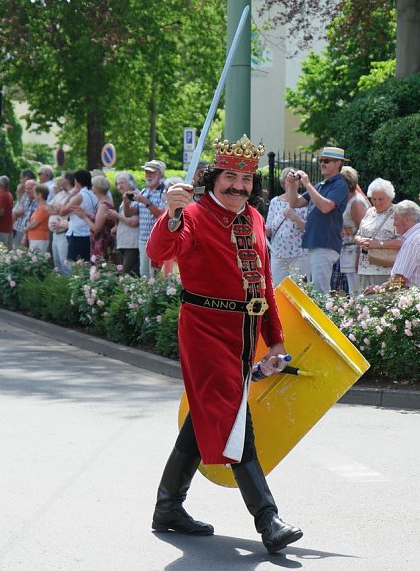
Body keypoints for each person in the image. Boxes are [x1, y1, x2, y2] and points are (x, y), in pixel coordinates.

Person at [146, 135, 302, 554]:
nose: (239, 186)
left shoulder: (254, 218)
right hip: (204, 330)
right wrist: (170, 214)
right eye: (230, 176)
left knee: (206, 415)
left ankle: (168, 507)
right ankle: (268, 520)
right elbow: (160, 250)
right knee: (233, 416)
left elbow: (263, 286)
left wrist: (275, 341)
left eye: (246, 179)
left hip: (244, 334)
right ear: (213, 178)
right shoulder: (193, 214)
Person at [289, 146, 349, 293]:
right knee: (313, 291)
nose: (322, 163)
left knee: (320, 291)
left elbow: (326, 207)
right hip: (314, 243)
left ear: (338, 163)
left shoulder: (340, 185)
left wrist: (307, 184)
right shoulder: (320, 185)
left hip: (325, 244)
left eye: (327, 161)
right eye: (321, 160)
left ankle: (325, 309)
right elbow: (294, 203)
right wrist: (292, 185)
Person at [362, 200, 420, 294]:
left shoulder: (412, 242)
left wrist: (377, 289)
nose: (394, 224)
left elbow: (399, 280)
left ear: (406, 219)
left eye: (396, 219)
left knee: (364, 298)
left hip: (413, 296)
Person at [353, 178, 400, 294]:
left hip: (385, 268)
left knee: (380, 301)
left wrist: (378, 244)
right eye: (374, 199)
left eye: (381, 199)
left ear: (390, 197)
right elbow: (358, 235)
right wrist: (361, 241)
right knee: (363, 300)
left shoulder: (398, 213)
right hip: (364, 267)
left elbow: (402, 242)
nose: (377, 202)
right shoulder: (370, 212)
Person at [265, 167, 308, 287]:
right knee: (277, 288)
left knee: (298, 289)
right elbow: (269, 231)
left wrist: (294, 217)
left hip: (299, 255)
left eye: (295, 180)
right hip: (278, 254)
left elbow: (308, 229)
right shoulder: (275, 202)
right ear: (284, 183)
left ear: (300, 183)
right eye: (289, 180)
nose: (292, 182)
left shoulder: (305, 202)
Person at [125, 160, 167, 277]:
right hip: (143, 240)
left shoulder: (164, 192)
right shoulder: (144, 191)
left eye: (152, 172)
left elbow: (161, 215)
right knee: (143, 274)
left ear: (160, 174)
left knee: (154, 274)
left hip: (156, 240)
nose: (148, 175)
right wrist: (126, 202)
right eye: (146, 172)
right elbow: (130, 213)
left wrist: (146, 202)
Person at [338, 166, 369, 295]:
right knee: (352, 290)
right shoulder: (348, 199)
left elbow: (364, 231)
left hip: (355, 253)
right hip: (347, 252)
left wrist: (360, 257)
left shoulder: (356, 203)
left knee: (357, 291)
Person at [75, 175, 116, 263]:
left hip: (102, 243)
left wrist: (84, 217)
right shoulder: (102, 202)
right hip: (99, 241)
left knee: (100, 267)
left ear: (97, 188)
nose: (91, 187)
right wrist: (84, 214)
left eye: (92, 185)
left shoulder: (103, 205)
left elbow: (96, 228)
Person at [110, 172, 140, 275]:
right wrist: (116, 226)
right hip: (125, 242)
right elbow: (125, 219)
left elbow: (134, 222)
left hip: (132, 243)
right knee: (124, 273)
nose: (119, 186)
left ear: (131, 183)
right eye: (118, 183)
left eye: (122, 183)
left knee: (128, 274)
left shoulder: (135, 196)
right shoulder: (125, 197)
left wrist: (116, 215)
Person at [64, 169, 96, 265]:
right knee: (86, 265)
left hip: (77, 233)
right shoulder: (93, 193)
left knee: (76, 266)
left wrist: (70, 195)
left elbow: (62, 211)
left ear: (77, 181)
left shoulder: (80, 196)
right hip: (88, 232)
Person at [48, 174, 74, 274]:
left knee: (66, 264)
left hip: (64, 233)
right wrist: (57, 210)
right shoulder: (60, 194)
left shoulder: (73, 195)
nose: (60, 182)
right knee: (57, 263)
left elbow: (65, 210)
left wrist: (58, 209)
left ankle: (67, 283)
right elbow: (48, 207)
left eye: (63, 180)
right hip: (55, 234)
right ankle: (60, 283)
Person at [24, 184, 51, 254]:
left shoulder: (44, 208)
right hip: (34, 238)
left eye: (35, 193)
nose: (33, 195)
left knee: (36, 259)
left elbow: (34, 224)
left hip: (39, 238)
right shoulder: (40, 208)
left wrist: (25, 229)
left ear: (40, 195)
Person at [0, 176, 14, 248]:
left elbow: (1, 212)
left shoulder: (3, 196)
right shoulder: (9, 194)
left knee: (0, 251)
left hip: (1, 230)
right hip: (7, 228)